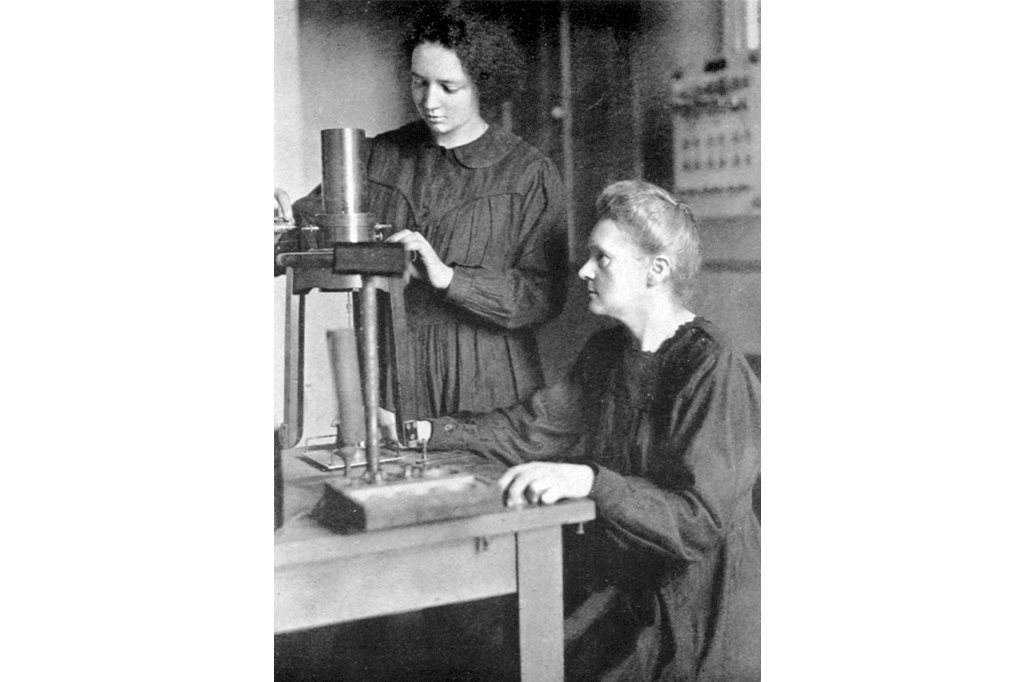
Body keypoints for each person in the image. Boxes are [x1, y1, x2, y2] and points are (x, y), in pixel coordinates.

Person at [390, 180, 761, 681]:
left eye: (601, 258)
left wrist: (589, 481)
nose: (584, 270)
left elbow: (696, 521)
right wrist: (421, 432)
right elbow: (528, 430)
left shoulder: (711, 366)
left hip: (694, 609)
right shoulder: (607, 352)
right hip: (627, 588)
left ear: (656, 271)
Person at [284, 1, 569, 419]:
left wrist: (450, 278)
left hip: (490, 383)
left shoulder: (527, 173)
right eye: (419, 83)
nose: (429, 101)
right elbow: (308, 235)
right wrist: (283, 225)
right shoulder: (376, 157)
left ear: (483, 85)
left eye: (448, 87)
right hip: (396, 380)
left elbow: (542, 296)